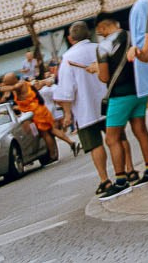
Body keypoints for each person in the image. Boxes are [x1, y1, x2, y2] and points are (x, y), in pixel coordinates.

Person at [102, 0, 148, 193]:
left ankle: (120, 180)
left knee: (112, 138)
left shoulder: (104, 46)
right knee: (140, 129)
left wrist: (97, 69)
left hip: (119, 95)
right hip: (138, 90)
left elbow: (104, 77)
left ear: (102, 28)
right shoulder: (131, 35)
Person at [49, 21, 111, 193]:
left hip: (85, 111)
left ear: (70, 38)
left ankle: (105, 180)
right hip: (108, 102)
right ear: (88, 33)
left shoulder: (68, 58)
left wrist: (67, 114)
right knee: (117, 139)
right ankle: (127, 171)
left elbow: (66, 91)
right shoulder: (100, 48)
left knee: (95, 145)